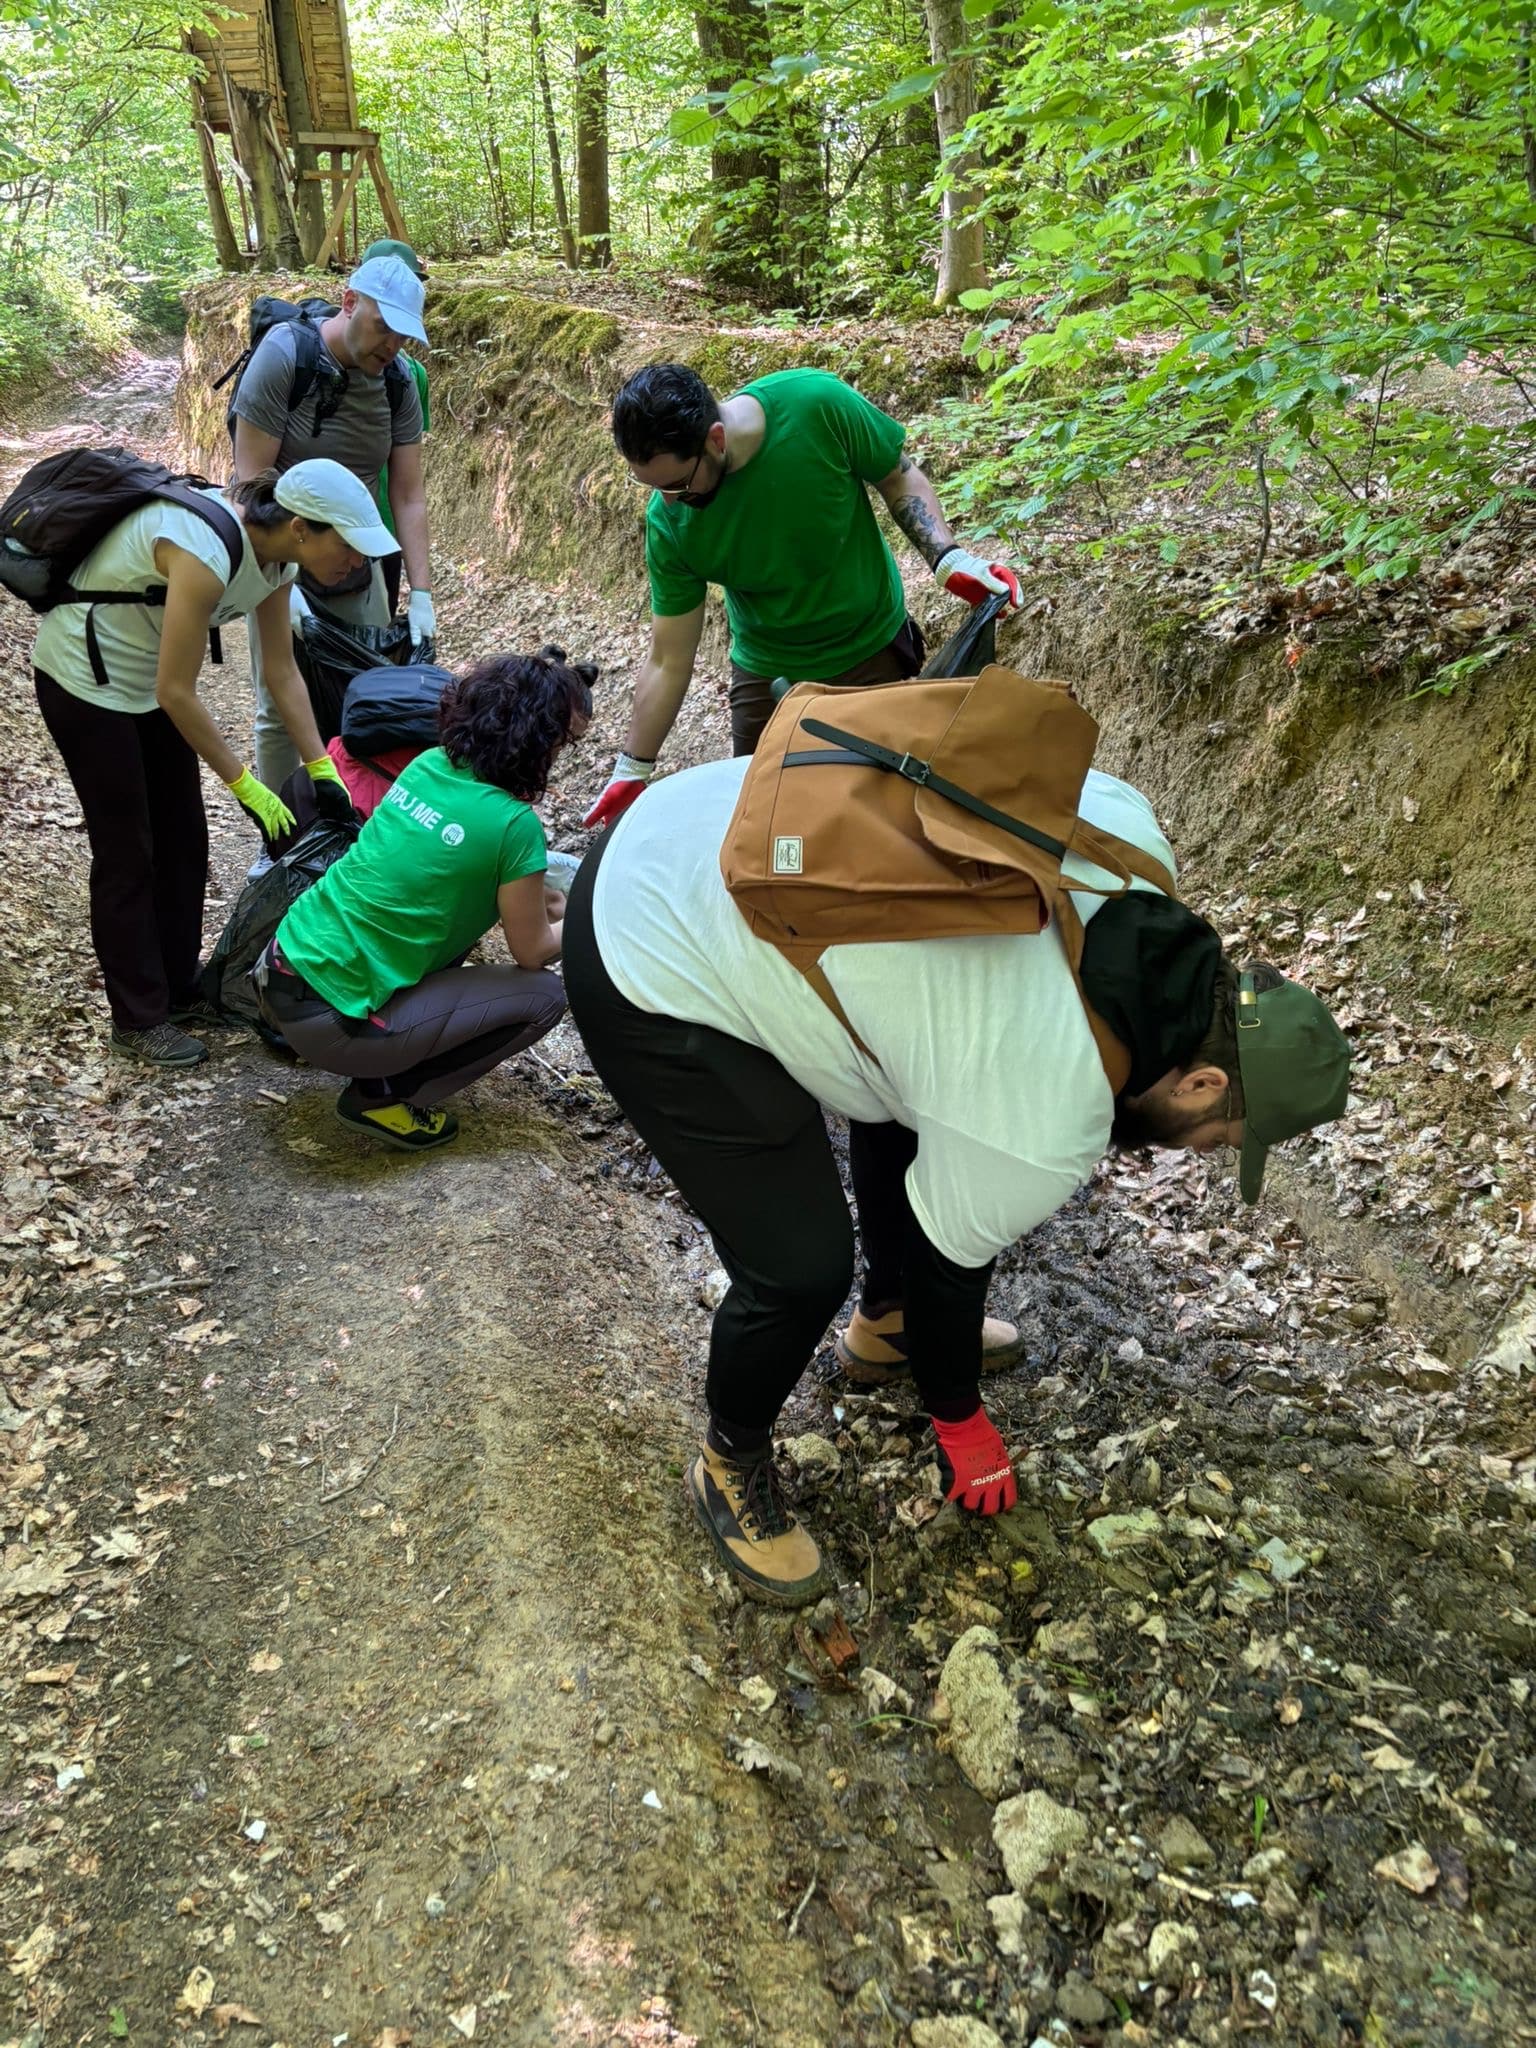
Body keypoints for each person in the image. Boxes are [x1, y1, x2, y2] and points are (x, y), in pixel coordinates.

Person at [563, 754, 1352, 1606]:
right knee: (799, 1266)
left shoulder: (1132, 850)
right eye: (1219, 1136)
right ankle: (729, 1460)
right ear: (1200, 1083)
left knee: (908, 1088)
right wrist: (958, 1415)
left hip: (711, 819)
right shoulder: (1051, 1109)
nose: (1201, 1152)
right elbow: (951, 1261)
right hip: (644, 943)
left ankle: (884, 1323)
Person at [32, 459, 397, 1069]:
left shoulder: (279, 561)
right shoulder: (204, 549)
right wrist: (245, 785)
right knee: (128, 852)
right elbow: (178, 690)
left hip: (146, 688)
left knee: (184, 839)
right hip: (84, 683)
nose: (357, 562)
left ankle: (178, 988)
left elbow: (281, 669)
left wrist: (322, 767)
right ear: (301, 527)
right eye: (349, 546)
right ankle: (137, 1019)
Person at [584, 363, 1022, 824]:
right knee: (767, 823)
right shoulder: (669, 523)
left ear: (716, 439)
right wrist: (634, 766)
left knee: (887, 817)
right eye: (652, 486)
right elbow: (668, 659)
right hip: (767, 676)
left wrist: (947, 558)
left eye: (677, 483)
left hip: (872, 651)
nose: (669, 500)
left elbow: (897, 475)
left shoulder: (816, 406)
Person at [253, 652, 588, 1152]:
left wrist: (543, 900)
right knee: (543, 997)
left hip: (278, 969)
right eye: (564, 742)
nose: (561, 754)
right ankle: (382, 1097)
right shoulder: (515, 824)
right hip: (326, 1020)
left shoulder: (427, 766)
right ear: (538, 741)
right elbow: (533, 951)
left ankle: (377, 1054)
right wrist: (588, 914)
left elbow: (437, 872)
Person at [231, 252, 435, 790]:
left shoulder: (399, 383)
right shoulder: (285, 356)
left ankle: (355, 815)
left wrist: (421, 593)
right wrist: (279, 582)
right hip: (280, 549)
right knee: (279, 703)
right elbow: (251, 485)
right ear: (349, 303)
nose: (392, 345)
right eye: (384, 326)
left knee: (367, 694)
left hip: (354, 558)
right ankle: (282, 829)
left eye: (403, 336)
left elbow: (408, 494)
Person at [358, 238, 431, 617]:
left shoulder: (409, 377)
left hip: (382, 533)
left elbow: (407, 481)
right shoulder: (309, 359)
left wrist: (421, 592)